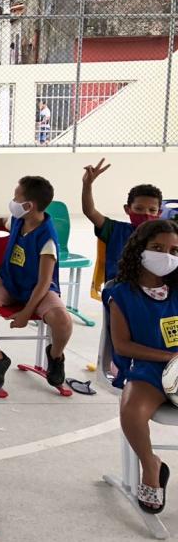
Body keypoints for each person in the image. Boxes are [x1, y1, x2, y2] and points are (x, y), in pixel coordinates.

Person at [0, 175, 71, 392]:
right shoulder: (20, 220)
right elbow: (2, 221)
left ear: (29, 205)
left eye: (16, 198)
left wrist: (26, 313)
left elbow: (44, 282)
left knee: (63, 321)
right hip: (10, 282)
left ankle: (55, 356)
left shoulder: (46, 237)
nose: (13, 201)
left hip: (39, 289)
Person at [106, 219, 178, 514]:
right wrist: (169, 358)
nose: (166, 256)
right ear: (139, 249)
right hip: (150, 370)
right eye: (158, 248)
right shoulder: (121, 293)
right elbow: (122, 345)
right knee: (132, 411)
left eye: (174, 251)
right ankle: (151, 466)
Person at [81, 158, 163, 286]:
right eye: (139, 209)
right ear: (127, 209)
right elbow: (90, 211)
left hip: (153, 290)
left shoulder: (165, 236)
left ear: (159, 213)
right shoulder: (115, 230)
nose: (145, 214)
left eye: (152, 210)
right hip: (118, 289)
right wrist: (87, 185)